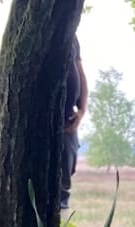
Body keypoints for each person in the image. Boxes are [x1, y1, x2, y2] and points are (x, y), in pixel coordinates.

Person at [60, 34, 88, 214]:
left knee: (63, 182)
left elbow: (79, 69)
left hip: (69, 120)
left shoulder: (70, 34)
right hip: (41, 122)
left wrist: (82, 110)